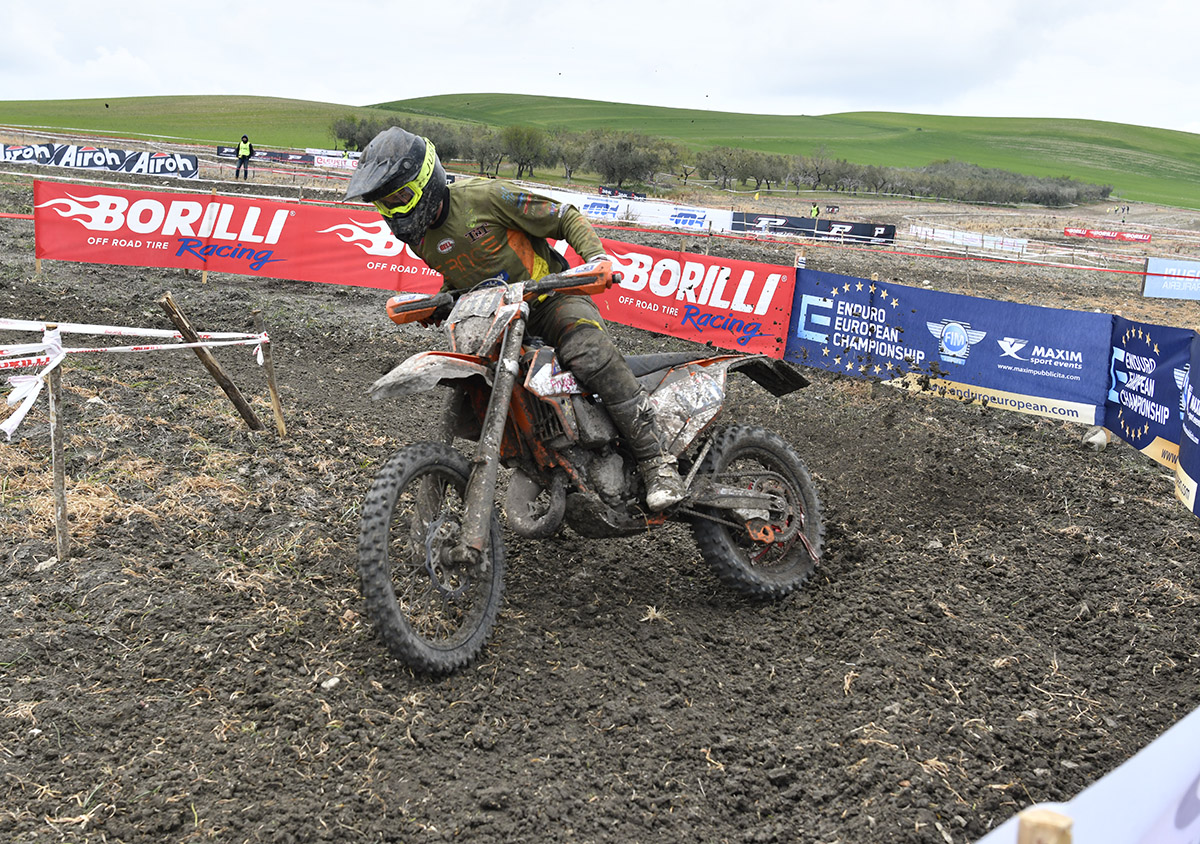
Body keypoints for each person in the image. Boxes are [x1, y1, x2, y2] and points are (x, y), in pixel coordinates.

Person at [343, 127, 685, 511]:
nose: (395, 211)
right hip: (496, 318)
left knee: (589, 353)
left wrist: (596, 259)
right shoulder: (421, 238)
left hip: (551, 299)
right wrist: (439, 302)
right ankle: (545, 463)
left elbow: (564, 216)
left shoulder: (486, 197)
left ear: (426, 181)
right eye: (385, 205)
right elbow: (462, 277)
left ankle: (657, 461)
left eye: (400, 198)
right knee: (477, 388)